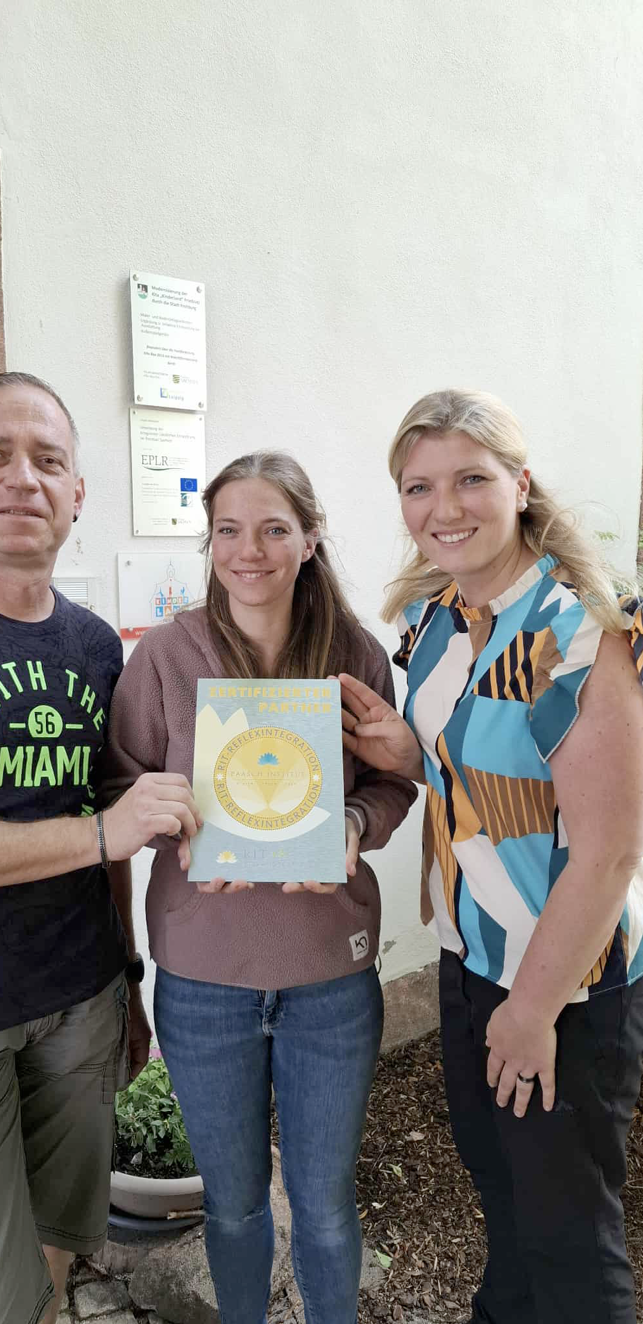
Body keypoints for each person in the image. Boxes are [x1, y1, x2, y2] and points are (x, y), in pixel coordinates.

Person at [0, 372, 204, 1324]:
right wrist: (105, 831)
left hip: (80, 1004)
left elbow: (109, 828)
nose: (22, 478)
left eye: (48, 460)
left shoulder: (95, 646)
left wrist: (129, 980)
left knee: (59, 1249)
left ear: (78, 493)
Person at [340, 387, 643, 1324]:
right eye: (418, 486)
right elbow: (481, 777)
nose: (445, 507)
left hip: (564, 981)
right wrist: (409, 754)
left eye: (471, 479)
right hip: (470, 960)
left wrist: (533, 1010)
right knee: (505, 1204)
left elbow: (608, 852)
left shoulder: (580, 634)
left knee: (572, 1243)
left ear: (519, 483)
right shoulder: (433, 621)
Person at [101, 451, 416, 1324]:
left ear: (309, 540)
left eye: (274, 529)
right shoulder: (166, 657)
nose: (250, 551)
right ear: (209, 543)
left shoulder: (354, 656)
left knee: (325, 1207)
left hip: (330, 979)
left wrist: (354, 826)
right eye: (229, 530)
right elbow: (118, 789)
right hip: (204, 981)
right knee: (234, 1207)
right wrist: (169, 819)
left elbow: (391, 782)